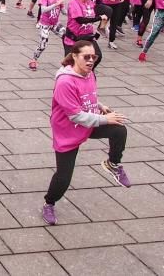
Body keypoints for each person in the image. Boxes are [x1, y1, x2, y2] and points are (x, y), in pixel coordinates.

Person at [42, 40, 130, 226]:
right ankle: (49, 203)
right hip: (69, 130)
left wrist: (100, 106)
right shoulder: (65, 82)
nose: (91, 61)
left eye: (94, 57)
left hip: (89, 122)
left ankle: (113, 164)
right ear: (74, 56)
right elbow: (75, 116)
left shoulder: (89, 74)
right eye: (86, 57)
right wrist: (105, 119)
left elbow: (87, 97)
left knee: (119, 130)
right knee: (64, 177)